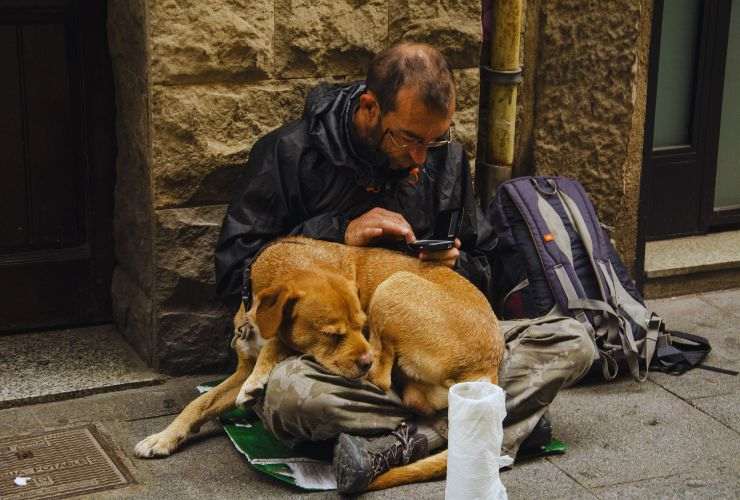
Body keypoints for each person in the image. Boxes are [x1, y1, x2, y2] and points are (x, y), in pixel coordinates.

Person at [215, 42, 595, 493]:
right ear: (370, 108)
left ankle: (409, 441)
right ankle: (492, 421)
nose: (421, 157)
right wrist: (339, 231)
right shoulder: (289, 152)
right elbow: (235, 269)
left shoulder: (446, 158)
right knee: (290, 397)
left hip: (429, 349)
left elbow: (488, 266)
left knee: (575, 340)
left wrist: (456, 263)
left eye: (434, 141)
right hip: (346, 364)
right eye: (410, 139)